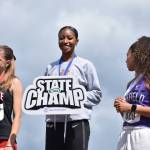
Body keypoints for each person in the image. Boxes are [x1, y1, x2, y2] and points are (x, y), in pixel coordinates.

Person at [44, 26, 102, 150]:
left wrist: (74, 98)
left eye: (70, 38)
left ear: (76, 41)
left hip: (77, 120)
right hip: (54, 122)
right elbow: (43, 95)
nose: (65, 41)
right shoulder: (50, 67)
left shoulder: (86, 65)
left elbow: (96, 94)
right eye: (61, 38)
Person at [114, 36, 150, 150]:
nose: (126, 60)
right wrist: (121, 108)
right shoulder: (131, 84)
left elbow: (132, 108)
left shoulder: (148, 79)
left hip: (143, 132)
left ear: (135, 55)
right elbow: (130, 116)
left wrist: (130, 107)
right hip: (126, 131)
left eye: (127, 55)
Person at [0, 45, 23, 150]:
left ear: (7, 62)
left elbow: (17, 115)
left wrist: (10, 143)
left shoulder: (14, 82)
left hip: (4, 138)